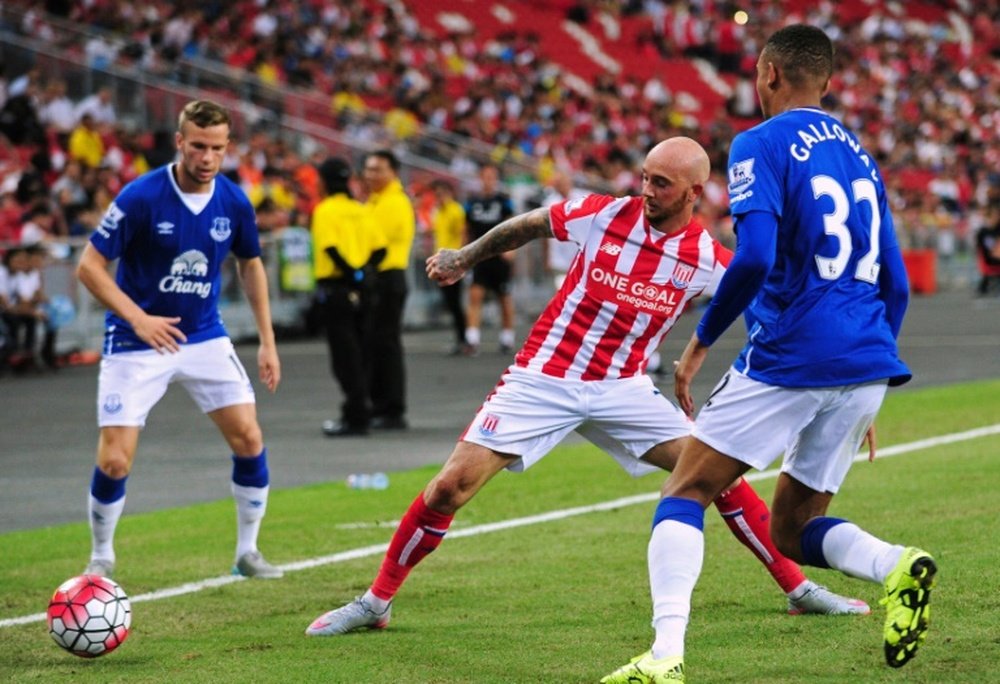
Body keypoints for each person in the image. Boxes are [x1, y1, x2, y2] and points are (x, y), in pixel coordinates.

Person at [305, 136, 867, 639]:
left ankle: (800, 589)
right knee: (449, 488)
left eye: (661, 183)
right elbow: (528, 224)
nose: (645, 189)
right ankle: (375, 602)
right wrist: (464, 257)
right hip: (542, 378)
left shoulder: (706, 259)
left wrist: (843, 386)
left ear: (695, 192)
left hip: (624, 388)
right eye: (644, 177)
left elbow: (781, 311)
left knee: (715, 477)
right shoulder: (601, 214)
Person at [602, 26, 933, 684]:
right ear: (829, 81)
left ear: (771, 74)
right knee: (792, 528)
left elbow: (752, 257)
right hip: (867, 358)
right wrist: (871, 368)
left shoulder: (760, 143)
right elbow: (895, 281)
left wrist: (697, 344)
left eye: (757, 74)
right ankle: (897, 563)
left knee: (687, 489)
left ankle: (666, 655)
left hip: (793, 353)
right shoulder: (862, 153)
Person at [75, 99, 284, 580]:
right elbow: (88, 266)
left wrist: (268, 342)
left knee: (249, 437)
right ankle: (101, 556)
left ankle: (247, 552)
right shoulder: (141, 196)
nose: (207, 157)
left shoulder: (233, 200)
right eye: (197, 147)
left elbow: (250, 263)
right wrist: (139, 318)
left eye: (216, 148)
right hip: (136, 340)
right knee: (113, 459)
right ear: (179, 143)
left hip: (205, 337)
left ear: (227, 147)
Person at [312, 156, 387, 437]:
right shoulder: (361, 209)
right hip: (364, 293)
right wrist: (364, 274)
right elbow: (380, 250)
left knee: (345, 358)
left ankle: (356, 414)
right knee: (363, 353)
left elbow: (330, 249)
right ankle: (361, 408)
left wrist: (351, 274)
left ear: (323, 182)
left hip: (336, 290)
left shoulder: (325, 210)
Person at [362, 149, 414, 430]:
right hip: (380, 278)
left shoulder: (394, 202)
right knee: (377, 343)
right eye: (369, 169)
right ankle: (381, 404)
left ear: (393, 172)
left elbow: (374, 244)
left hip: (388, 276)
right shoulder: (375, 201)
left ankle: (392, 409)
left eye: (378, 169)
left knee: (386, 344)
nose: (371, 175)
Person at [464, 162, 516, 354]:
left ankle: (507, 337)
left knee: (504, 297)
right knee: (475, 295)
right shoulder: (472, 202)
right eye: (485, 176)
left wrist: (512, 249)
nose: (488, 180)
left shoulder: (503, 201)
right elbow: (466, 229)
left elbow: (514, 225)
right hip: (479, 255)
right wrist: (464, 253)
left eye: (492, 177)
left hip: (499, 255)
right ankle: (472, 338)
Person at [429, 178, 471, 355]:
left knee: (455, 302)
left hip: (452, 261)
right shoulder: (438, 212)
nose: (439, 197)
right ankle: (462, 339)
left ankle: (465, 340)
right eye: (437, 194)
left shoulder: (455, 210)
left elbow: (462, 234)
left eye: (441, 194)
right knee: (452, 303)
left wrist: (459, 259)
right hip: (441, 261)